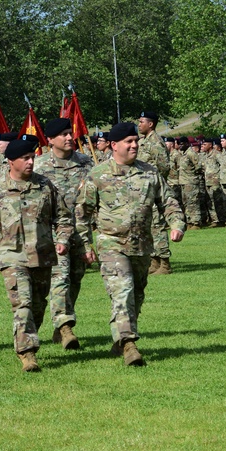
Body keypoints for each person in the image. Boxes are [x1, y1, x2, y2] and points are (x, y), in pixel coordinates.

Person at [76, 122, 185, 366]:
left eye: (136, 141)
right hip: (111, 243)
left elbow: (168, 201)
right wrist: (85, 244)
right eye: (129, 141)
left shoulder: (149, 172)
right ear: (114, 145)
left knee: (136, 293)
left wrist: (177, 224)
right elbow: (82, 213)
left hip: (142, 245)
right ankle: (129, 345)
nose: (135, 145)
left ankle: (120, 338)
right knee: (122, 291)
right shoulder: (98, 174)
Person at [0, 135, 74, 372]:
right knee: (24, 304)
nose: (31, 162)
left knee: (38, 305)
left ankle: (28, 337)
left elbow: (63, 217)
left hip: (42, 256)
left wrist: (62, 240)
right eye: (25, 158)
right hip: (11, 257)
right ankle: (27, 353)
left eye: (32, 158)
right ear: (11, 161)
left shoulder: (45, 186)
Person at [34, 118, 94, 349]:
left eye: (71, 133)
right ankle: (65, 325)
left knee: (75, 279)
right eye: (64, 134)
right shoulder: (39, 168)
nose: (70, 138)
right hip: (52, 234)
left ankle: (61, 324)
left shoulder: (85, 163)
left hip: (80, 232)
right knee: (60, 277)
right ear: (50, 140)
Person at [137, 110, 175, 274]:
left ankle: (164, 263)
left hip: (153, 189)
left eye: (141, 122)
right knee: (148, 225)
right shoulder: (143, 141)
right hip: (143, 190)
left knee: (157, 225)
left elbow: (164, 166)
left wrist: (155, 182)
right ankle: (154, 261)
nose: (139, 125)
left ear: (150, 124)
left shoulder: (155, 142)